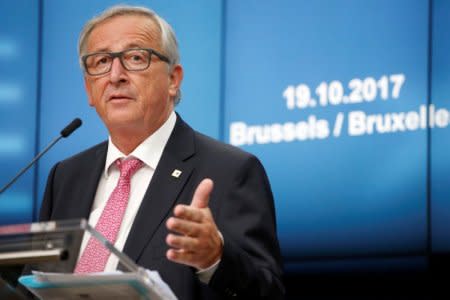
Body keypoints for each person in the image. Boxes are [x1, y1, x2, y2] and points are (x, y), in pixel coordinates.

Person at [38, 4, 284, 299]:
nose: (115, 75)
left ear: (173, 79)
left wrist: (215, 259)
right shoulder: (65, 177)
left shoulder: (231, 171)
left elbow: (268, 293)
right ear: (89, 89)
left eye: (135, 58)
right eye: (101, 61)